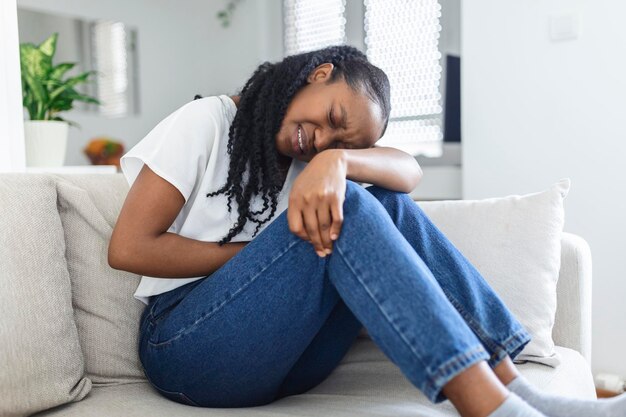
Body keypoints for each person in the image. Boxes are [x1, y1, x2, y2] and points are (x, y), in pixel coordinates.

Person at [108, 45, 625, 417]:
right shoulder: (207, 121)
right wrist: (254, 256)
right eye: (332, 116)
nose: (321, 139)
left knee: (375, 194)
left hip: (288, 359)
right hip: (186, 348)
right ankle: (491, 408)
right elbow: (128, 248)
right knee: (351, 204)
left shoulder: (314, 159)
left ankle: (513, 383)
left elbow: (407, 171)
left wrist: (338, 162)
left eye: (338, 139)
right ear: (319, 73)